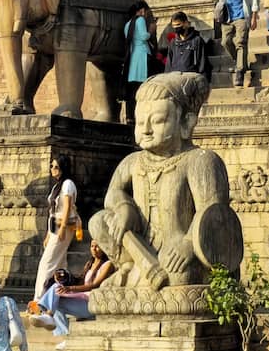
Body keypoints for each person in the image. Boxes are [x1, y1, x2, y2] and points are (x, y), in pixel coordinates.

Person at [87, 72, 242, 289]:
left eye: (158, 120)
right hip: (141, 249)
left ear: (186, 122)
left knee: (180, 278)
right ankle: (129, 267)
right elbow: (113, 193)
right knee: (99, 221)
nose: (146, 130)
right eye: (140, 122)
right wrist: (124, 207)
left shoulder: (200, 161)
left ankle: (136, 278)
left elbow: (212, 214)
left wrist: (188, 244)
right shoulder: (133, 161)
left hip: (179, 254)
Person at [31, 241, 115, 342]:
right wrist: (63, 278)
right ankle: (65, 336)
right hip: (81, 301)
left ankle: (47, 315)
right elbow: (80, 282)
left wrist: (70, 289)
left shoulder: (108, 264)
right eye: (92, 246)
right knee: (56, 296)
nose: (94, 249)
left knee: (55, 292)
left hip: (92, 305)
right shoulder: (89, 264)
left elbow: (94, 285)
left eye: (98, 246)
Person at [33, 153, 79, 301]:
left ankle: (39, 299)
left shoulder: (68, 184)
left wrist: (62, 229)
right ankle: (60, 297)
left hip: (63, 227)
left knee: (46, 263)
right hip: (54, 227)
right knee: (60, 263)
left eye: (56, 167)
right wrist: (48, 234)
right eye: (52, 166)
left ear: (63, 168)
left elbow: (67, 208)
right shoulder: (57, 186)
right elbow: (52, 211)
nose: (53, 169)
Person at [217, 0, 260, 87]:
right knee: (225, 42)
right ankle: (240, 62)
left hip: (242, 13)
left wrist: (254, 16)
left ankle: (240, 71)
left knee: (241, 42)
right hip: (228, 15)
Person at [123, 0, 156, 121]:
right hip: (142, 55)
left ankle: (130, 116)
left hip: (132, 57)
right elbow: (143, 36)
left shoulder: (127, 24)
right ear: (142, 10)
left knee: (132, 88)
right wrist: (151, 31)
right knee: (143, 86)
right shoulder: (140, 20)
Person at [164, 10, 210, 79]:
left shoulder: (197, 40)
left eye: (178, 25)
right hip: (175, 79)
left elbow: (202, 63)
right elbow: (168, 64)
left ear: (186, 23)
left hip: (191, 78)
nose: (176, 28)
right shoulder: (173, 42)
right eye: (174, 26)